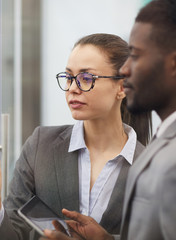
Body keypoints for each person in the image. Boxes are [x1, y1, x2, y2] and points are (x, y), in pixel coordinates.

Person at [0, 33, 153, 239]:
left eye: (86, 78)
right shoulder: (41, 146)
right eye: (69, 77)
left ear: (122, 87)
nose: (73, 89)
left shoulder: (149, 167)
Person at [42, 0, 176, 240]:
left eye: (136, 55)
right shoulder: (162, 143)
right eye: (69, 77)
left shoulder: (161, 154)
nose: (126, 70)